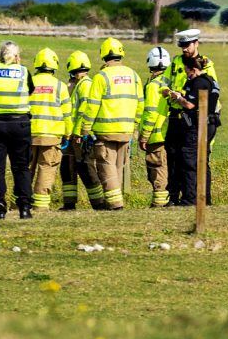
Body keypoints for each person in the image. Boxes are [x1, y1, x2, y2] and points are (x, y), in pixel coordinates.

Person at [76, 37, 143, 210]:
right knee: (118, 168)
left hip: (106, 131)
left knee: (106, 166)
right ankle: (116, 200)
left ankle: (115, 204)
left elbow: (92, 106)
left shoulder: (101, 76)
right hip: (126, 131)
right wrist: (134, 126)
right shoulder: (134, 75)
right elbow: (140, 103)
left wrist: (85, 129)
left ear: (104, 55)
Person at [0, 41, 33, 220]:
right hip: (20, 124)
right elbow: (31, 90)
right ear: (17, 56)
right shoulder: (24, 71)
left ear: (0, 55)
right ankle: (25, 208)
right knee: (21, 167)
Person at [165, 55, 219, 206]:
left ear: (194, 69)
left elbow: (190, 105)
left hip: (197, 127)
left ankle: (189, 199)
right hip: (208, 124)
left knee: (189, 161)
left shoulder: (198, 82)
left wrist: (177, 97)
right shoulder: (211, 80)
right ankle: (204, 198)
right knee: (202, 161)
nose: (187, 75)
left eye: (187, 71)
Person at [60, 50, 105, 210]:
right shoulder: (78, 85)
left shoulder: (85, 85)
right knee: (67, 167)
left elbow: (84, 110)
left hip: (79, 136)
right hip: (72, 135)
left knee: (86, 168)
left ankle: (98, 203)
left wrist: (78, 133)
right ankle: (69, 202)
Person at [28, 47, 71, 212]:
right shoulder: (60, 86)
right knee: (46, 167)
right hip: (52, 136)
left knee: (25, 168)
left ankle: (18, 202)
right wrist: (67, 133)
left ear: (37, 64)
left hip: (29, 134)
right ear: (55, 65)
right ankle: (40, 204)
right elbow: (67, 113)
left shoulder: (29, 82)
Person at [139, 47, 172, 208]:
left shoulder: (153, 86)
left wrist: (144, 135)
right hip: (171, 133)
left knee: (157, 168)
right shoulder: (171, 81)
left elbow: (150, 113)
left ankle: (159, 203)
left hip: (157, 136)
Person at [167, 28, 217, 93]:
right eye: (182, 46)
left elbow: (213, 89)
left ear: (196, 44)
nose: (184, 49)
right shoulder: (176, 61)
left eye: (187, 45)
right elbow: (164, 81)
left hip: (197, 101)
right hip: (176, 102)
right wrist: (167, 91)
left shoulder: (206, 64)